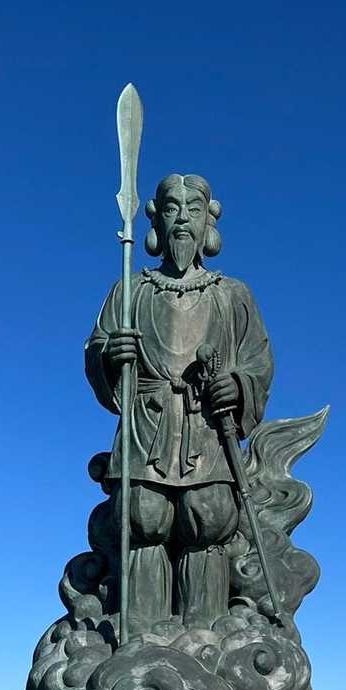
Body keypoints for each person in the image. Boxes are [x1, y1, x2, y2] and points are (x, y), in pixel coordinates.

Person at [85, 173, 273, 634]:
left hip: (206, 425)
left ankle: (204, 638)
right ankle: (140, 637)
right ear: (156, 222)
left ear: (209, 221)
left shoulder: (232, 294)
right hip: (147, 425)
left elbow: (257, 362)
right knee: (144, 517)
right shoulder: (131, 290)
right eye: (172, 208)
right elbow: (97, 348)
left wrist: (238, 385)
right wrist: (111, 355)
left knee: (208, 516)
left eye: (193, 209)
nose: (182, 219)